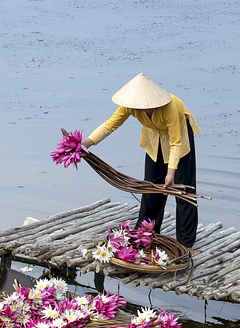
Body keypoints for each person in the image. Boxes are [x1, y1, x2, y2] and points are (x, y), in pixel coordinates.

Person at [82, 73, 201, 252]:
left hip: (179, 139)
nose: (137, 110)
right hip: (154, 139)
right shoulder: (129, 106)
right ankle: (146, 235)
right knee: (150, 188)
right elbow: (110, 125)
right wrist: (85, 144)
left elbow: (175, 142)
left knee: (183, 190)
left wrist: (171, 173)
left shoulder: (170, 106)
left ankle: (186, 244)